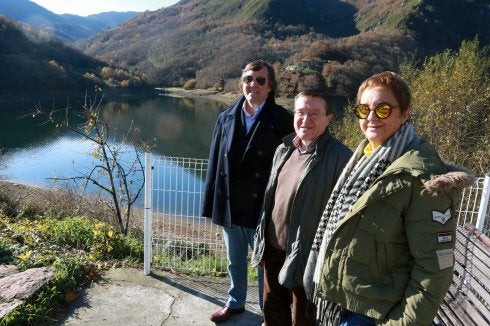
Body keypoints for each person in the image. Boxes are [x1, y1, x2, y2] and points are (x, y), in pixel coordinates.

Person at [303, 71, 475, 325]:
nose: (371, 117)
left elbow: (435, 270)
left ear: (404, 113)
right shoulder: (362, 160)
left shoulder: (422, 176)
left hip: (376, 314)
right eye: (364, 110)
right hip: (341, 303)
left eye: (382, 110)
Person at [202, 60, 294, 323]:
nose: (253, 84)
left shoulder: (284, 120)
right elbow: (215, 162)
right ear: (241, 83)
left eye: (260, 80)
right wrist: (212, 203)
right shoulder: (226, 117)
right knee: (234, 261)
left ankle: (270, 313)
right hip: (231, 205)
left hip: (264, 209)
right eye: (248, 79)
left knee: (267, 266)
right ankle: (236, 303)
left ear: (270, 86)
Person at [251, 90, 352, 326]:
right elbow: (270, 199)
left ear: (329, 118)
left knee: (302, 319)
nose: (305, 119)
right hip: (273, 248)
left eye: (314, 113)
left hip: (307, 256)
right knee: (272, 309)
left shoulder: (341, 158)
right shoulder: (284, 149)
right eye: (300, 112)